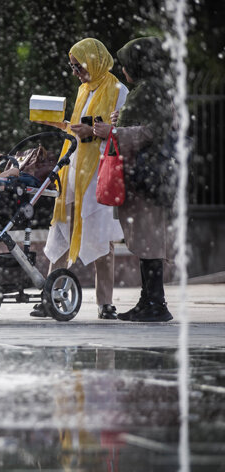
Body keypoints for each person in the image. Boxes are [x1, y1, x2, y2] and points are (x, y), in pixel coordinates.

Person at [32, 38, 129, 320]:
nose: (76, 72)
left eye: (79, 66)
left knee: (100, 236)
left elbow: (122, 132)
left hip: (99, 173)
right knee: (62, 231)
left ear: (94, 62)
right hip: (74, 170)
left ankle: (105, 303)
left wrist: (98, 132)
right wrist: (60, 125)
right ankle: (51, 296)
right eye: (72, 66)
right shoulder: (83, 90)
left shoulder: (118, 91)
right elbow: (78, 130)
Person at [93, 37, 176, 323]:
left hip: (147, 177)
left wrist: (112, 133)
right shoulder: (156, 90)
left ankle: (155, 302)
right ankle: (149, 300)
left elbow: (151, 132)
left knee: (149, 239)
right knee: (147, 239)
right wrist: (119, 123)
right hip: (154, 177)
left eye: (128, 65)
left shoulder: (149, 92)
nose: (124, 70)